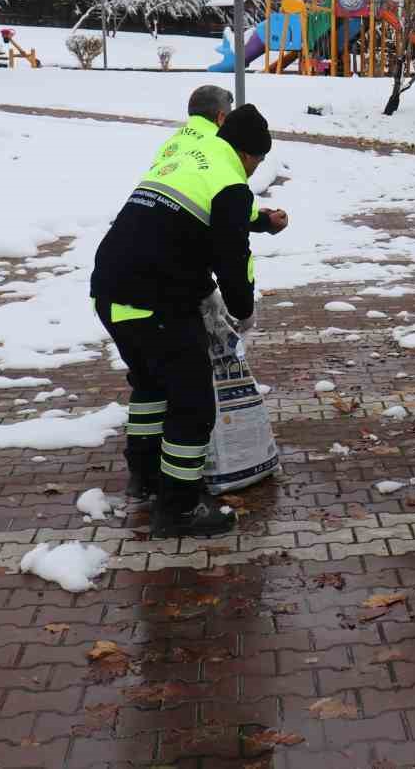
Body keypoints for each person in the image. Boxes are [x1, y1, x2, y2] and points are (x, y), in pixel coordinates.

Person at [90, 104, 278, 537]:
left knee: (152, 386)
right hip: (156, 302)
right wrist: (243, 311)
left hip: (111, 291)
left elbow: (209, 218)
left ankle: (145, 477)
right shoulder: (231, 181)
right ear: (250, 155)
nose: (255, 170)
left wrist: (262, 222)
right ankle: (178, 508)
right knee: (192, 406)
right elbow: (232, 261)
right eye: (259, 161)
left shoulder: (196, 157)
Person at [151, 85, 288, 235]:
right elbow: (230, 200)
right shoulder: (215, 144)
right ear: (222, 117)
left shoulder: (172, 142)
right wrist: (265, 221)